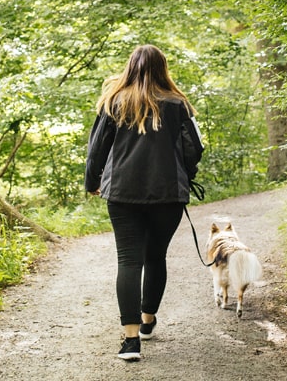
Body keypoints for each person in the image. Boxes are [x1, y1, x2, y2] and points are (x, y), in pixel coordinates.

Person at [84, 44, 204, 361]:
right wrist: (184, 173)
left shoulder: (114, 101)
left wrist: (92, 182)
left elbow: (96, 149)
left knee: (129, 261)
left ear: (130, 68)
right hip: (168, 193)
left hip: (122, 193)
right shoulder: (179, 104)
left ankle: (130, 341)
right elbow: (195, 149)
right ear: (163, 69)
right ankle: (148, 320)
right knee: (155, 256)